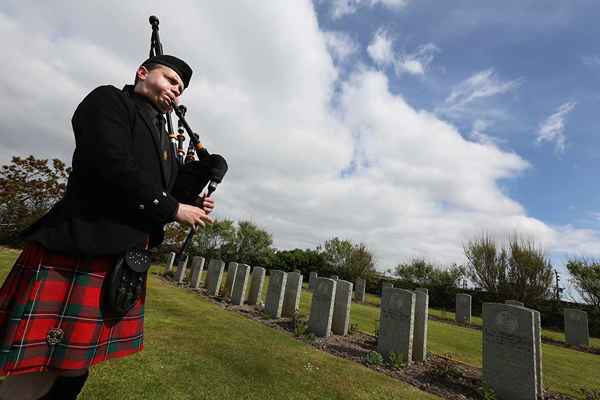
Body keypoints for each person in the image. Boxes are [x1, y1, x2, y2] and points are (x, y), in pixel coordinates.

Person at [0, 54, 214, 399]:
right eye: (170, 79)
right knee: (42, 364)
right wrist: (173, 208)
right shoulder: (109, 100)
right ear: (142, 73)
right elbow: (111, 164)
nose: (176, 90)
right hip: (79, 247)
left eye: (181, 87)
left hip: (121, 259)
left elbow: (161, 190)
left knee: (73, 369)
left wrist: (188, 201)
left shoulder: (162, 136)